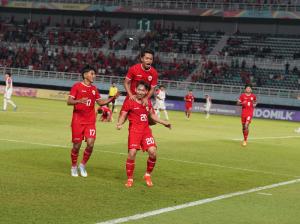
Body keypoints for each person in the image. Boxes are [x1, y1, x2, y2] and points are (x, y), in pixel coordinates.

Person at [116, 81, 171, 188]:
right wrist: (120, 123)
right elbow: (123, 114)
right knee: (132, 153)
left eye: (143, 90)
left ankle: (147, 175)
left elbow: (153, 116)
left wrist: (164, 123)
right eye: (139, 89)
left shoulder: (148, 102)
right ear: (135, 90)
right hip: (134, 132)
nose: (141, 92)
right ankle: (130, 179)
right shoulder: (130, 101)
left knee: (153, 152)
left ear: (146, 92)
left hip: (146, 131)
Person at [67, 65, 118, 177]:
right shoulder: (76, 86)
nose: (94, 75)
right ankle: (74, 166)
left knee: (90, 144)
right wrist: (79, 101)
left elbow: (100, 102)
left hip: (90, 121)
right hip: (77, 121)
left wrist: (112, 98)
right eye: (92, 73)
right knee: (76, 146)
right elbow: (69, 101)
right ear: (85, 75)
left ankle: (82, 165)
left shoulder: (94, 89)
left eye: (94, 74)